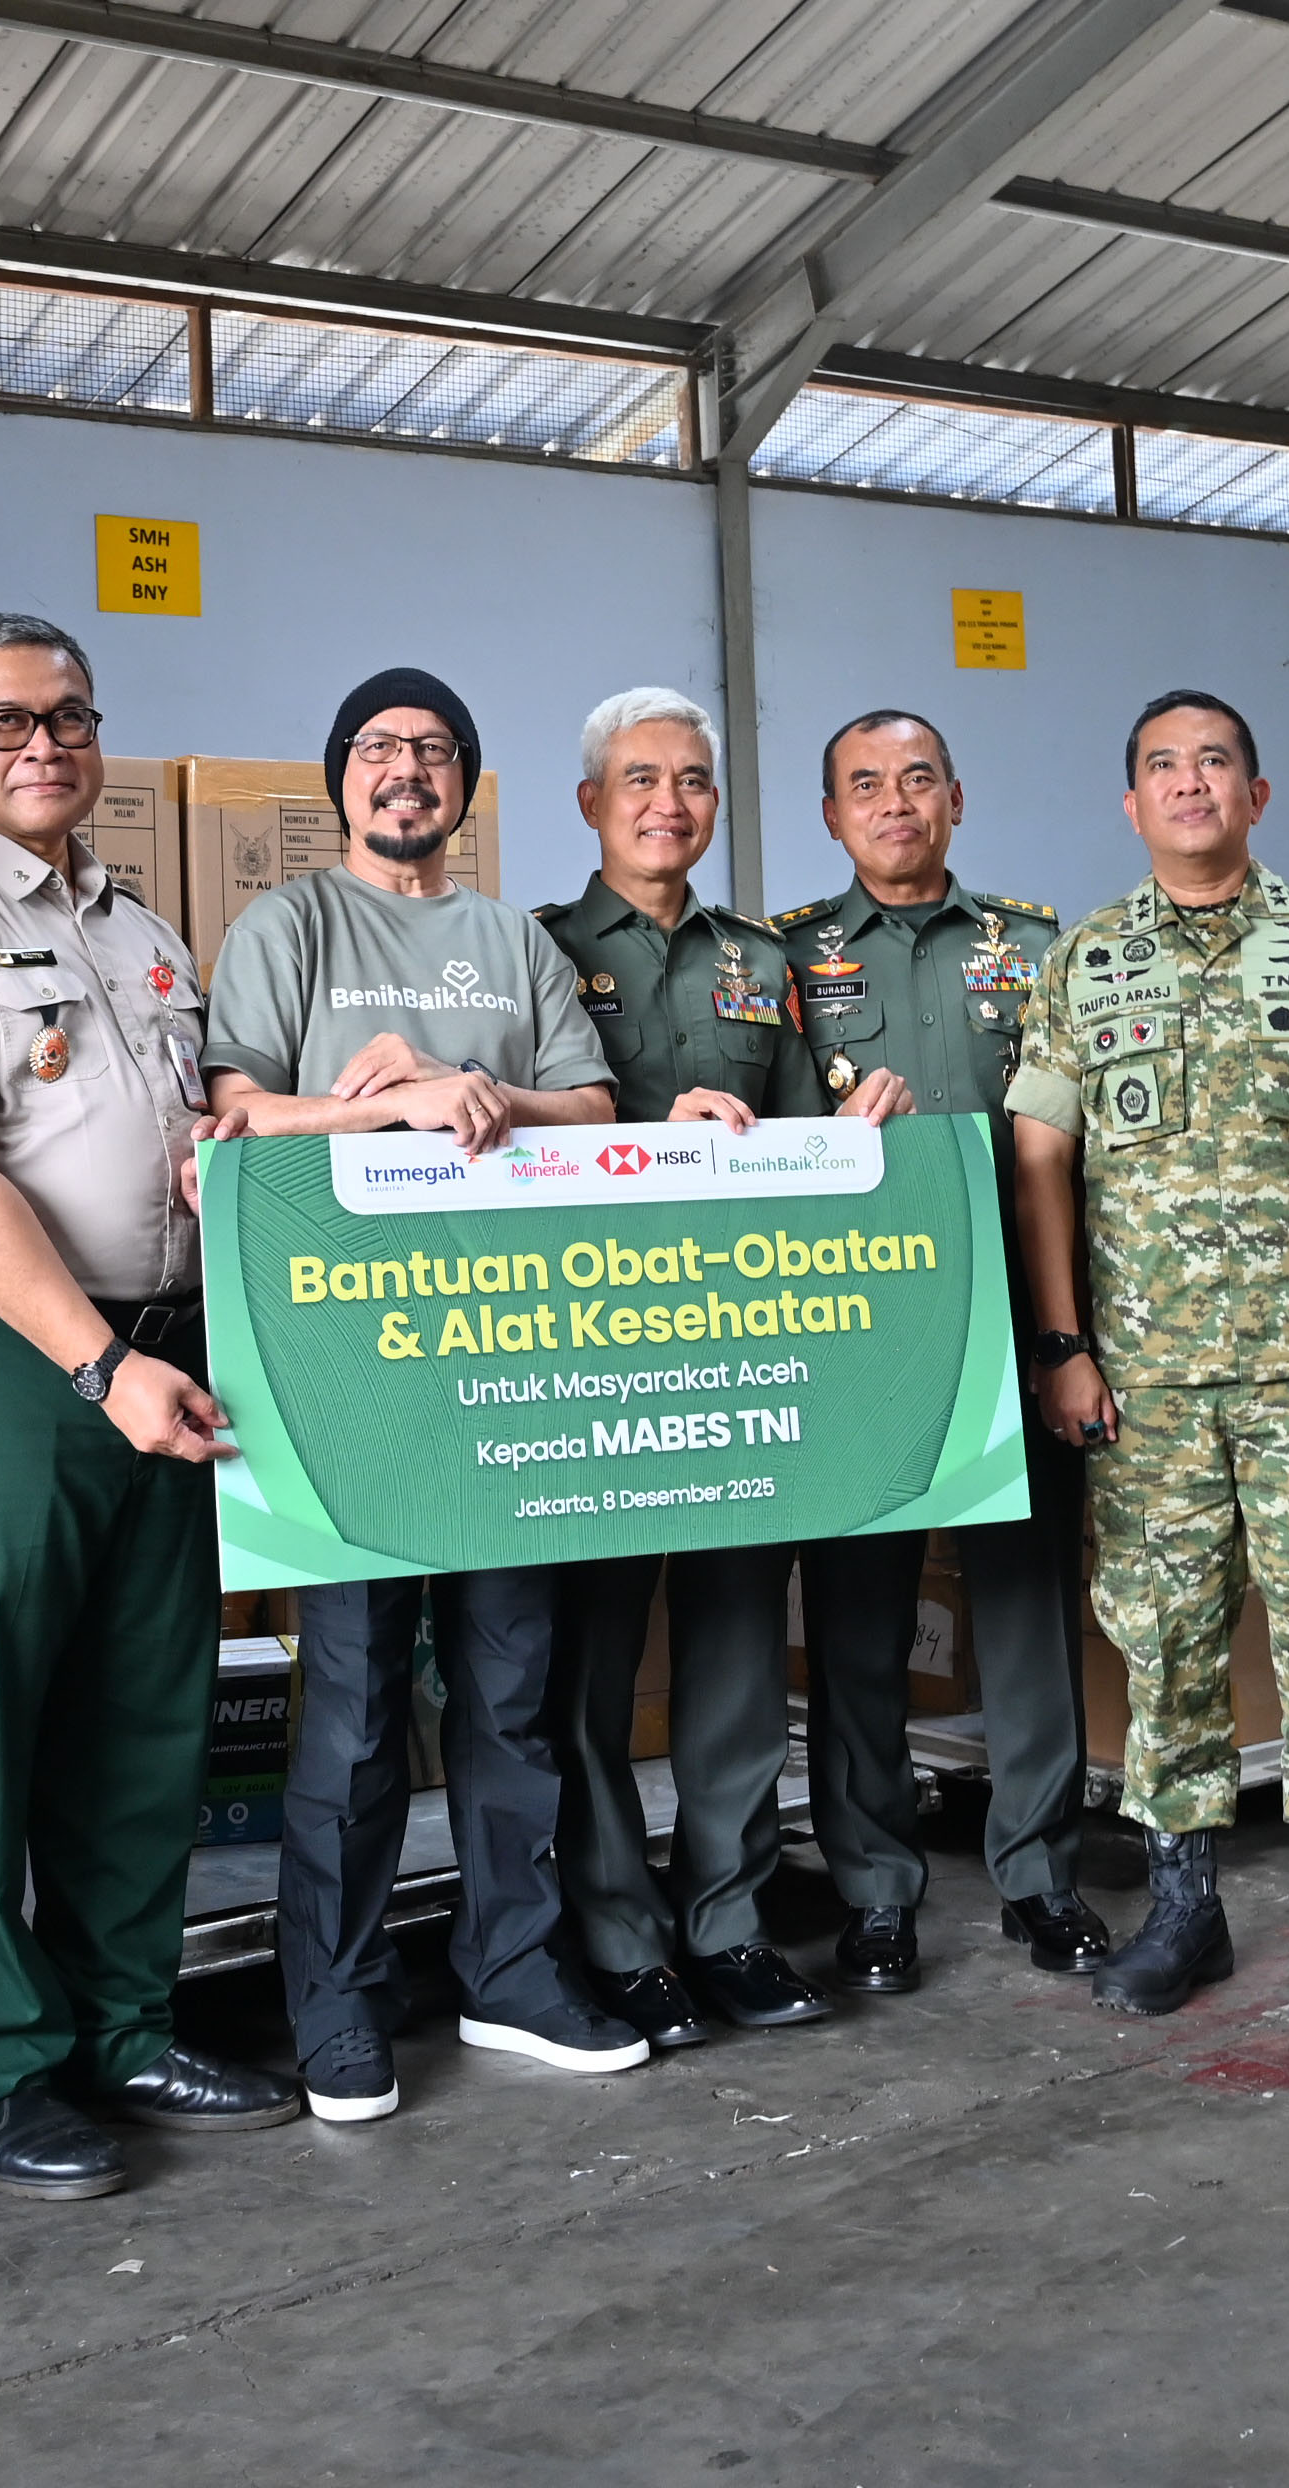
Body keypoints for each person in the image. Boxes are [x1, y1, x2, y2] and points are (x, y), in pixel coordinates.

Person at [0, 612, 300, 2197]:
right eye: (9, 719)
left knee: (143, 1715)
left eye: (73, 717)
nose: (47, 744)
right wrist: (95, 1366)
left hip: (166, 1362)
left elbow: (197, 1123)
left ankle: (127, 2020)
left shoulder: (144, 928)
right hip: (5, 1372)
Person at [202, 665, 642, 2121]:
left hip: (509, 1365)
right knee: (355, 1706)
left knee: (511, 1695)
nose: (409, 771)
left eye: (437, 751)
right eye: (383, 749)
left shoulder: (508, 939)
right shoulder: (291, 926)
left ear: (465, 787)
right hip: (345, 1372)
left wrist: (484, 1089)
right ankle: (333, 2003)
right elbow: (234, 1115)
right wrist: (384, 1104)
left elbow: (589, 1107)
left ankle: (511, 1971)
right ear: (341, 779)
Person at [1002, 691, 1289, 2022]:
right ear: (1130, 805)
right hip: (1150, 1385)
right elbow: (1041, 1165)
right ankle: (1182, 1907)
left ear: (1260, 791)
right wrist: (1065, 1344)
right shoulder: (1083, 963)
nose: (1190, 783)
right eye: (1161, 767)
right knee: (1166, 1644)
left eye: (1215, 762)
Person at [771, 710, 1111, 1983]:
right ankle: (872, 1889)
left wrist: (1069, 1334)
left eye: (917, 780)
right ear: (831, 815)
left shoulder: (1037, 948)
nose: (894, 802)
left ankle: (1041, 1876)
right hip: (859, 1342)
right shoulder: (785, 959)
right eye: (865, 784)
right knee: (857, 1624)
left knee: (1026, 1611)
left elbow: (1073, 1151)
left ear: (956, 800)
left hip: (1020, 1328)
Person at [532, 689, 835, 2047]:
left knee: (729, 1655)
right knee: (589, 1666)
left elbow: (811, 1148)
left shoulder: (764, 962)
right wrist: (661, 1129)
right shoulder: (530, 951)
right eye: (641, 779)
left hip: (736, 1355)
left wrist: (855, 1132)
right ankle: (615, 1930)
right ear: (590, 802)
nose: (670, 802)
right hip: (587, 1361)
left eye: (695, 780)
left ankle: (728, 1920)